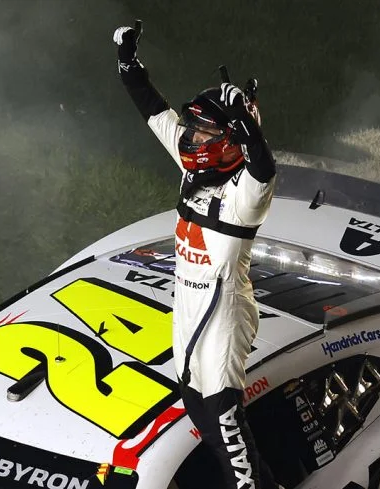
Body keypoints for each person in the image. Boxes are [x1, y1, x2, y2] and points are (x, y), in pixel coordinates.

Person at [113, 21, 278, 489]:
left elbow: (263, 168)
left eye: (203, 132)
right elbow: (154, 112)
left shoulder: (245, 193)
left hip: (225, 311)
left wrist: (244, 122)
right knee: (195, 404)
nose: (189, 138)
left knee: (226, 420)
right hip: (186, 304)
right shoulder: (193, 169)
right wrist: (128, 63)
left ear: (229, 142)